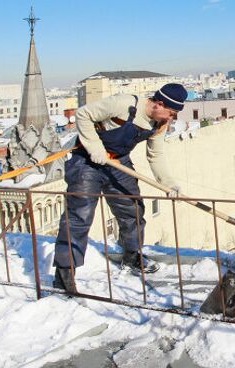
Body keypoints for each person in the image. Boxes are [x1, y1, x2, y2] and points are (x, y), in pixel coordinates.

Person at [52, 83, 188, 293]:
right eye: (171, 113)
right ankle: (64, 274)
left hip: (117, 163)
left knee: (132, 209)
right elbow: (83, 114)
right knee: (79, 217)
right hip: (87, 160)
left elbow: (156, 155)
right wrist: (96, 148)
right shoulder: (124, 104)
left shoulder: (158, 124)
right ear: (159, 104)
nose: (171, 119)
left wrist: (167, 183)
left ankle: (132, 255)